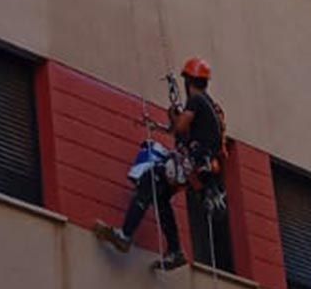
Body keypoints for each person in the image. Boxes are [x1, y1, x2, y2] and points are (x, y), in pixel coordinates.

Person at [93, 57, 229, 271]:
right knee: (161, 196)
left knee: (150, 178)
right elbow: (188, 133)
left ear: (188, 81)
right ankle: (175, 250)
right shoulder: (210, 107)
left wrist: (174, 117)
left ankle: (125, 235)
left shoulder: (197, 101)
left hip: (194, 163)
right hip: (201, 168)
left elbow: (180, 127)